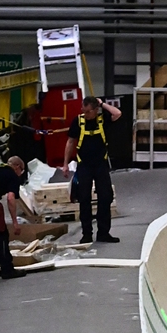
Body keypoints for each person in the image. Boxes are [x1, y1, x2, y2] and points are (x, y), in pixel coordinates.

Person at [64, 96, 122, 244]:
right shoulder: (78, 121)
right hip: (84, 165)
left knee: (105, 197)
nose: (85, 113)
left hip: (100, 165)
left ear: (96, 110)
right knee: (84, 199)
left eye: (88, 111)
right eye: (83, 110)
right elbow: (70, 142)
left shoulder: (103, 119)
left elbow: (117, 113)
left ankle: (103, 233)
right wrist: (65, 164)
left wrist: (102, 103)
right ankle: (86, 234)